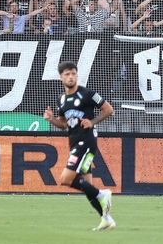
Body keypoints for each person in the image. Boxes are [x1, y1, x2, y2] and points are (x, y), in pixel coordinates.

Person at [42, 61, 116, 231]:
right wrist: (51, 119)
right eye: (67, 74)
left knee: (66, 179)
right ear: (61, 77)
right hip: (74, 142)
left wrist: (93, 121)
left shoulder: (88, 94)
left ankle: (102, 194)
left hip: (86, 142)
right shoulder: (62, 99)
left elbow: (108, 109)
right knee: (85, 184)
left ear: (77, 75)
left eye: (73, 73)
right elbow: (64, 124)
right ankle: (106, 219)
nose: (70, 77)